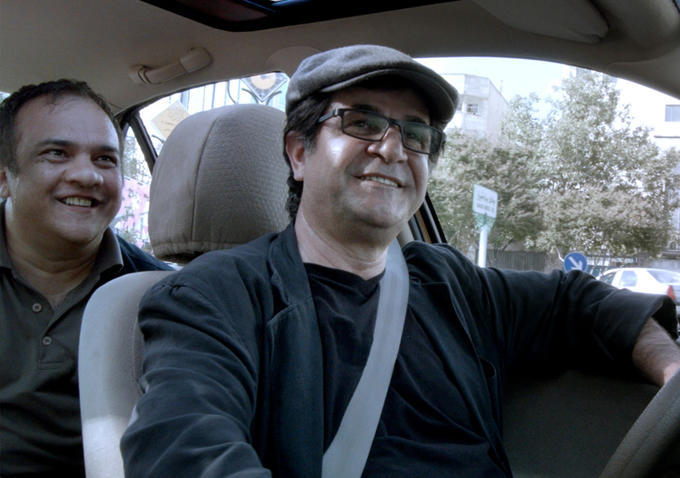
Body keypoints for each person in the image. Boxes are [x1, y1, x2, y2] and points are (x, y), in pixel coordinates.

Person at [121, 45, 680, 477]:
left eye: (415, 134)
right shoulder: (214, 298)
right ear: (298, 153)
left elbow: (577, 301)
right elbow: (185, 451)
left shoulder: (450, 283)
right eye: (362, 123)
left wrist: (672, 371)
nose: (392, 149)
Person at [0, 79, 172, 477]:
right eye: (57, 153)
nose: (87, 175)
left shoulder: (161, 297)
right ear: (5, 175)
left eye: (105, 159)